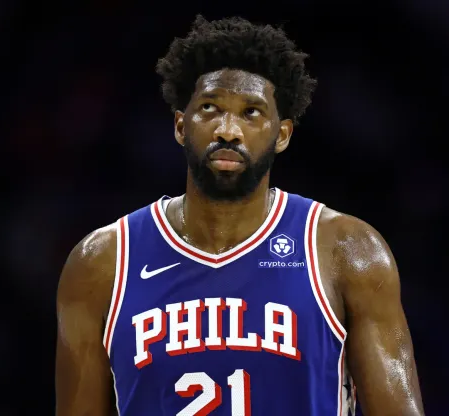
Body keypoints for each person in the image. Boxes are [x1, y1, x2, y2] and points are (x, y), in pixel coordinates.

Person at [55, 15, 424, 416]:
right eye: (210, 108)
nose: (228, 130)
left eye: (251, 112)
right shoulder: (103, 263)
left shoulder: (347, 251)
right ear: (181, 125)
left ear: (282, 134)